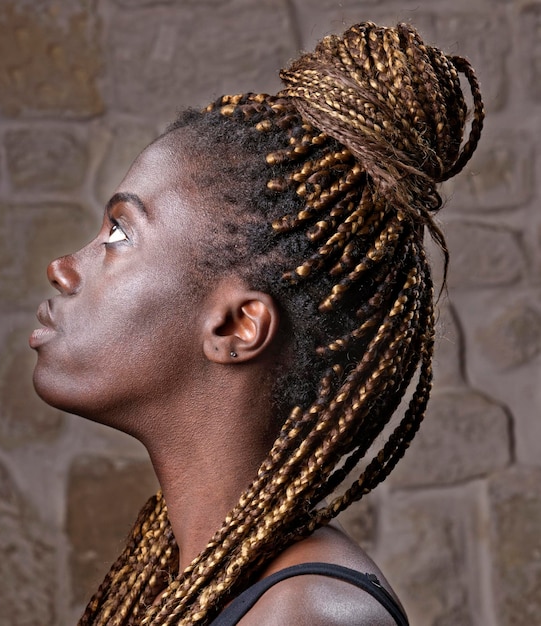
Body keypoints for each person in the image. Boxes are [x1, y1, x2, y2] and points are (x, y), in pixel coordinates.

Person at [29, 21, 484, 625]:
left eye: (119, 233)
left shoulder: (308, 616)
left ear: (239, 326)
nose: (62, 268)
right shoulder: (179, 570)